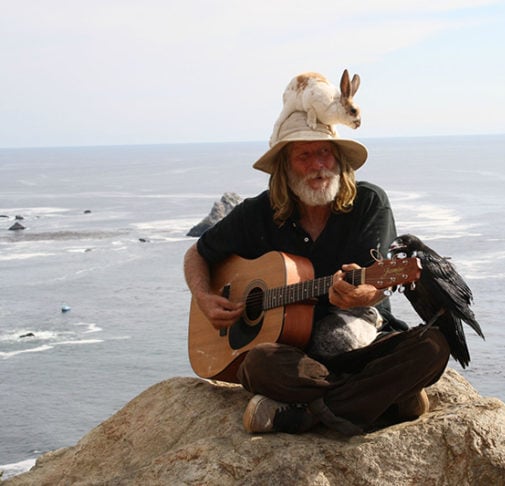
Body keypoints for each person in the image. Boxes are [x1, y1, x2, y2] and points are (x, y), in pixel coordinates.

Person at [183, 108, 451, 435]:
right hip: (295, 358)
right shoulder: (256, 213)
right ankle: (379, 400)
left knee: (434, 345)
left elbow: (375, 286)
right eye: (304, 156)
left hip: (362, 345)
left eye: (325, 152)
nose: (318, 165)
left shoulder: (369, 202)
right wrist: (205, 297)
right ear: (284, 168)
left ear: (339, 158)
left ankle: (308, 412)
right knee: (258, 363)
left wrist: (361, 294)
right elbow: (197, 253)